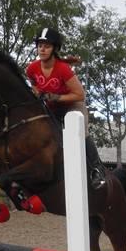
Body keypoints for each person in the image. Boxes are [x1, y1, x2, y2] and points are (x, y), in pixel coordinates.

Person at [25, 27, 106, 190]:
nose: (42, 49)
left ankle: (98, 170)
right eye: (40, 45)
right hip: (51, 108)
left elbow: (80, 95)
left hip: (72, 105)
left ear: (54, 48)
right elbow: (34, 84)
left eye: (46, 46)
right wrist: (37, 91)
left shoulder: (63, 69)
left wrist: (56, 97)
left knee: (81, 133)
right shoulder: (32, 68)